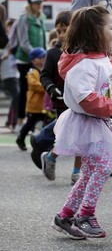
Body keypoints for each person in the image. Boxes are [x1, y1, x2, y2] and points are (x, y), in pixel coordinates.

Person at [51, 5, 112, 239]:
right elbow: (85, 97)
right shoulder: (82, 65)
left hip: (97, 124)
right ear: (94, 33)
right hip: (86, 123)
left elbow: (105, 72)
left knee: (88, 173)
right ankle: (85, 214)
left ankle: (64, 216)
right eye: (109, 28)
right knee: (104, 167)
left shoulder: (98, 59)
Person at [70, 0, 112, 177]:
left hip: (102, 113)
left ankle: (72, 208)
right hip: (92, 115)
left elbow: (108, 71)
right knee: (97, 169)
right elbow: (78, 24)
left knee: (93, 169)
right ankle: (85, 207)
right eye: (111, 29)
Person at [29, 11, 82, 185]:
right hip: (61, 100)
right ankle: (48, 152)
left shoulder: (82, 51)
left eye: (64, 30)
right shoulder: (53, 53)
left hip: (80, 99)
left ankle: (76, 173)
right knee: (65, 134)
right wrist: (51, 89)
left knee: (81, 135)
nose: (60, 34)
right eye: (58, 31)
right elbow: (45, 76)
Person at [14, 0, 47, 132]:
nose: (39, 6)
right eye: (36, 3)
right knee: (25, 91)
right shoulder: (24, 18)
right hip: (25, 60)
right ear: (30, 4)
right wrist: (36, 56)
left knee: (39, 90)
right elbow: (23, 42)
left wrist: (44, 57)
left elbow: (44, 39)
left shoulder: (42, 17)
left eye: (40, 3)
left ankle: (34, 123)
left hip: (39, 60)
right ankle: (20, 121)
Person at [15, 47, 47, 150]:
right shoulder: (32, 72)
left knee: (46, 124)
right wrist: (46, 86)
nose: (43, 59)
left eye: (44, 57)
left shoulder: (43, 71)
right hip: (34, 105)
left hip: (42, 105)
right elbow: (34, 85)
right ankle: (21, 137)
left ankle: (44, 142)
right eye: (41, 57)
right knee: (29, 124)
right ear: (34, 60)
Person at [1, 19, 19, 132]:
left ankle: (10, 122)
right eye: (10, 26)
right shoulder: (4, 40)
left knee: (17, 97)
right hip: (6, 74)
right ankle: (12, 122)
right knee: (17, 96)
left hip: (15, 73)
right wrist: (4, 56)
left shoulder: (15, 41)